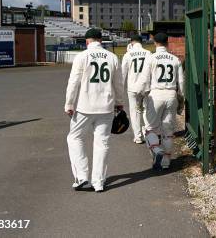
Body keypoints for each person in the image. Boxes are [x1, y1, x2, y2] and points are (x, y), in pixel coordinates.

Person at [64, 28, 124, 192]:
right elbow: (118, 82)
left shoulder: (82, 56)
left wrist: (69, 104)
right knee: (102, 143)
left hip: (85, 106)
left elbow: (73, 82)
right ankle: (98, 182)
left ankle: (82, 177)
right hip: (106, 106)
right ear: (101, 40)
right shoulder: (112, 57)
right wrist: (119, 102)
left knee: (75, 138)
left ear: (87, 41)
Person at [143, 32, 184, 170]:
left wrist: (142, 96)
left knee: (150, 128)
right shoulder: (175, 59)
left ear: (155, 43)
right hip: (171, 94)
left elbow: (145, 81)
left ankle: (156, 151)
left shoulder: (151, 58)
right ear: (167, 43)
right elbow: (181, 81)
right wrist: (181, 97)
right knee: (168, 131)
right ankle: (166, 162)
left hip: (156, 94)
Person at [121, 34, 152, 144]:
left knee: (135, 112)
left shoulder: (128, 54)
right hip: (146, 86)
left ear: (131, 42)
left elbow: (123, 74)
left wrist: (120, 91)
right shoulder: (148, 53)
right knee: (146, 110)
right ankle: (149, 134)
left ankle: (138, 136)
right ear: (141, 42)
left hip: (133, 87)